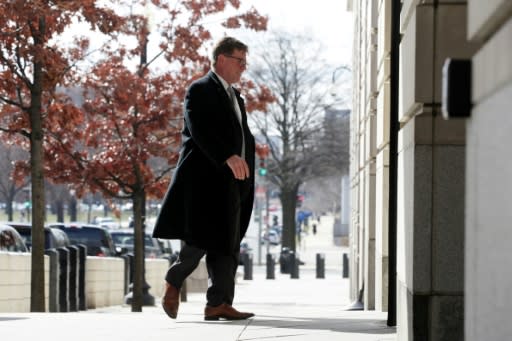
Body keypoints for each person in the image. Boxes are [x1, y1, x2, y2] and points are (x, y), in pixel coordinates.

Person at [152, 36, 255, 321]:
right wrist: (228, 156)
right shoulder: (199, 89)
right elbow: (200, 130)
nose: (243, 68)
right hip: (206, 182)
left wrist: (245, 170)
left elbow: (241, 137)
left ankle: (218, 303)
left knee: (228, 245)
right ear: (221, 59)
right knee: (200, 240)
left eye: (245, 62)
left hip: (233, 183)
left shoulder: (236, 97)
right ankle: (174, 280)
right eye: (240, 61)